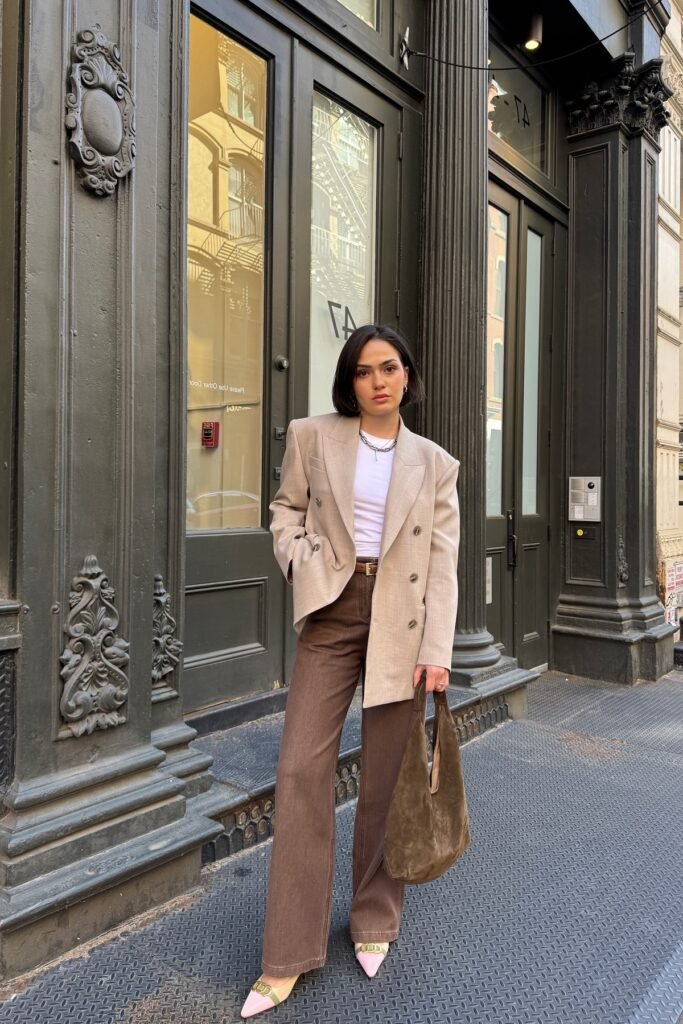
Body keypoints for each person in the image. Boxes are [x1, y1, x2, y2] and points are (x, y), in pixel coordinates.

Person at [241, 324, 460, 1018]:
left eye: (389, 367)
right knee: (301, 769)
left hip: (401, 619)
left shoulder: (435, 462)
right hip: (335, 608)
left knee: (386, 777)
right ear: (350, 381)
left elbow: (445, 566)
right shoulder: (312, 435)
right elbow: (284, 510)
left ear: (406, 374)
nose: (378, 381)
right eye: (364, 371)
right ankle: (286, 954)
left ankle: (373, 918)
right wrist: (303, 563)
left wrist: (437, 651)